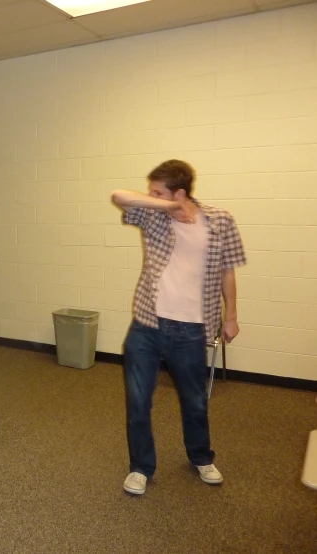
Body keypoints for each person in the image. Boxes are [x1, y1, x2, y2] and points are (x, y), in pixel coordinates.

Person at [111, 159, 246, 496]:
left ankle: (201, 457)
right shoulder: (153, 214)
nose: (149, 195)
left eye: (158, 190)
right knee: (139, 400)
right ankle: (141, 467)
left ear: (181, 191)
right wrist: (166, 204)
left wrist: (231, 317)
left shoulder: (219, 221)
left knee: (195, 400)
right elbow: (119, 196)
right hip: (147, 325)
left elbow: (228, 270)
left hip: (192, 329)